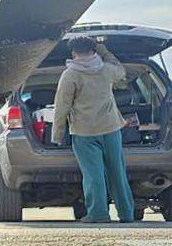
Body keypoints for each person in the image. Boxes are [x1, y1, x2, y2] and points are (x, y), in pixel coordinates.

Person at [51, 36, 137, 223]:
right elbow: (121, 71)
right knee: (117, 172)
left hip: (84, 132)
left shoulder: (70, 75)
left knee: (93, 174)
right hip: (111, 129)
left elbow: (62, 105)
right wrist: (105, 51)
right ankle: (126, 214)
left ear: (73, 53)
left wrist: (57, 133)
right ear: (94, 50)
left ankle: (98, 213)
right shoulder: (106, 69)